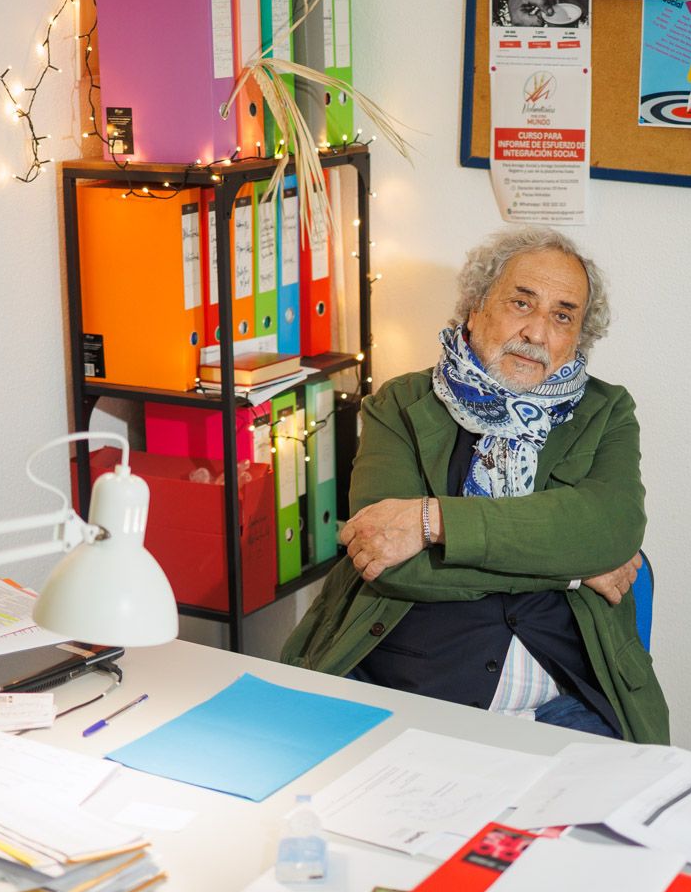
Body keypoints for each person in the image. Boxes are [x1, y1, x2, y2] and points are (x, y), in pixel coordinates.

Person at [281, 228, 666, 742]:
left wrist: (434, 521)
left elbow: (611, 531)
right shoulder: (400, 403)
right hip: (410, 690)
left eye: (562, 315)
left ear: (578, 337)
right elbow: (390, 563)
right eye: (521, 303)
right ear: (476, 305)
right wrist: (569, 571)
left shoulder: (606, 410)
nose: (536, 332)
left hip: (563, 700)